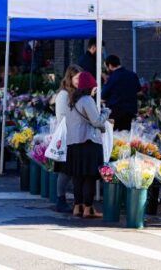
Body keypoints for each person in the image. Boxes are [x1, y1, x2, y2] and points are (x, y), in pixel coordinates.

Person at [65, 70, 109, 218]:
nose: (95, 90)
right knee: (89, 177)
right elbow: (96, 121)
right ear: (89, 86)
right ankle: (88, 209)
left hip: (73, 144)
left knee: (77, 177)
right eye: (94, 87)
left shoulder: (72, 100)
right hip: (88, 142)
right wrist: (106, 112)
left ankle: (77, 207)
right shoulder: (87, 100)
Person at [52, 64, 82, 213]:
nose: (79, 81)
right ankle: (60, 200)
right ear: (70, 78)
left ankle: (68, 200)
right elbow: (63, 117)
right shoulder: (64, 95)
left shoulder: (74, 93)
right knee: (65, 170)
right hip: (66, 136)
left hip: (73, 135)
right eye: (77, 78)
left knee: (70, 169)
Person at [101, 55, 140, 131]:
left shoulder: (112, 78)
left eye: (106, 67)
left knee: (116, 136)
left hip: (115, 112)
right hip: (130, 112)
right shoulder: (132, 75)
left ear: (110, 65)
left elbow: (103, 95)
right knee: (126, 135)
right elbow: (139, 91)